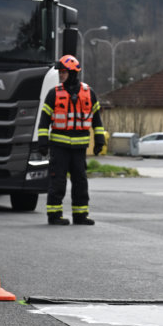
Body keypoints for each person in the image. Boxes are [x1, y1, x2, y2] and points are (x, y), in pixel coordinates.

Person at [37, 55, 105, 226]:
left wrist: (99, 141)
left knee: (80, 181)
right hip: (59, 147)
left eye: (64, 71)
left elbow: (97, 120)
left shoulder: (89, 93)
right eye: (60, 71)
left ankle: (80, 215)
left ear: (73, 72)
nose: (61, 74)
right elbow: (44, 121)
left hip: (80, 148)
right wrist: (43, 143)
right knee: (57, 180)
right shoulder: (54, 93)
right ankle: (54, 215)